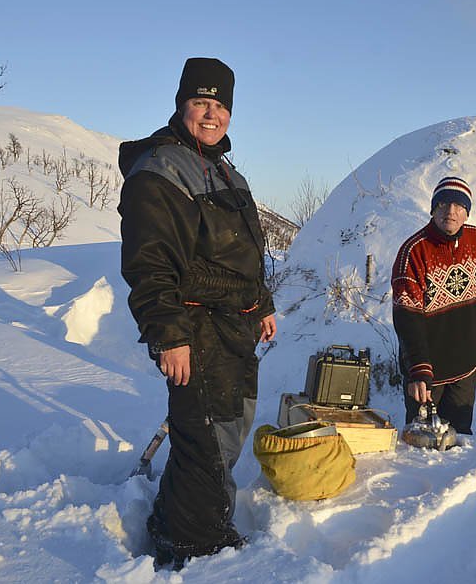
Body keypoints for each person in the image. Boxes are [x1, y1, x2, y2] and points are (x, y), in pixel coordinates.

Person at [118, 57, 277, 569]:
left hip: (234, 325)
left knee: (227, 427)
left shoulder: (224, 170)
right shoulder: (161, 170)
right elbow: (149, 263)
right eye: (200, 102)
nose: (212, 114)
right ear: (181, 104)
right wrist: (169, 336)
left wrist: (262, 304)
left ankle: (176, 520)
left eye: (220, 105)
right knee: (207, 437)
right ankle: (196, 546)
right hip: (195, 325)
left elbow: (244, 253)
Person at [391, 176, 476, 435]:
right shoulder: (414, 251)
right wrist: (418, 369)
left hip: (465, 366)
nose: (450, 212)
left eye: (458, 205)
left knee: (460, 437)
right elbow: (407, 318)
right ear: (433, 209)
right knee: (423, 441)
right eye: (443, 204)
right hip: (428, 372)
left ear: (467, 212)